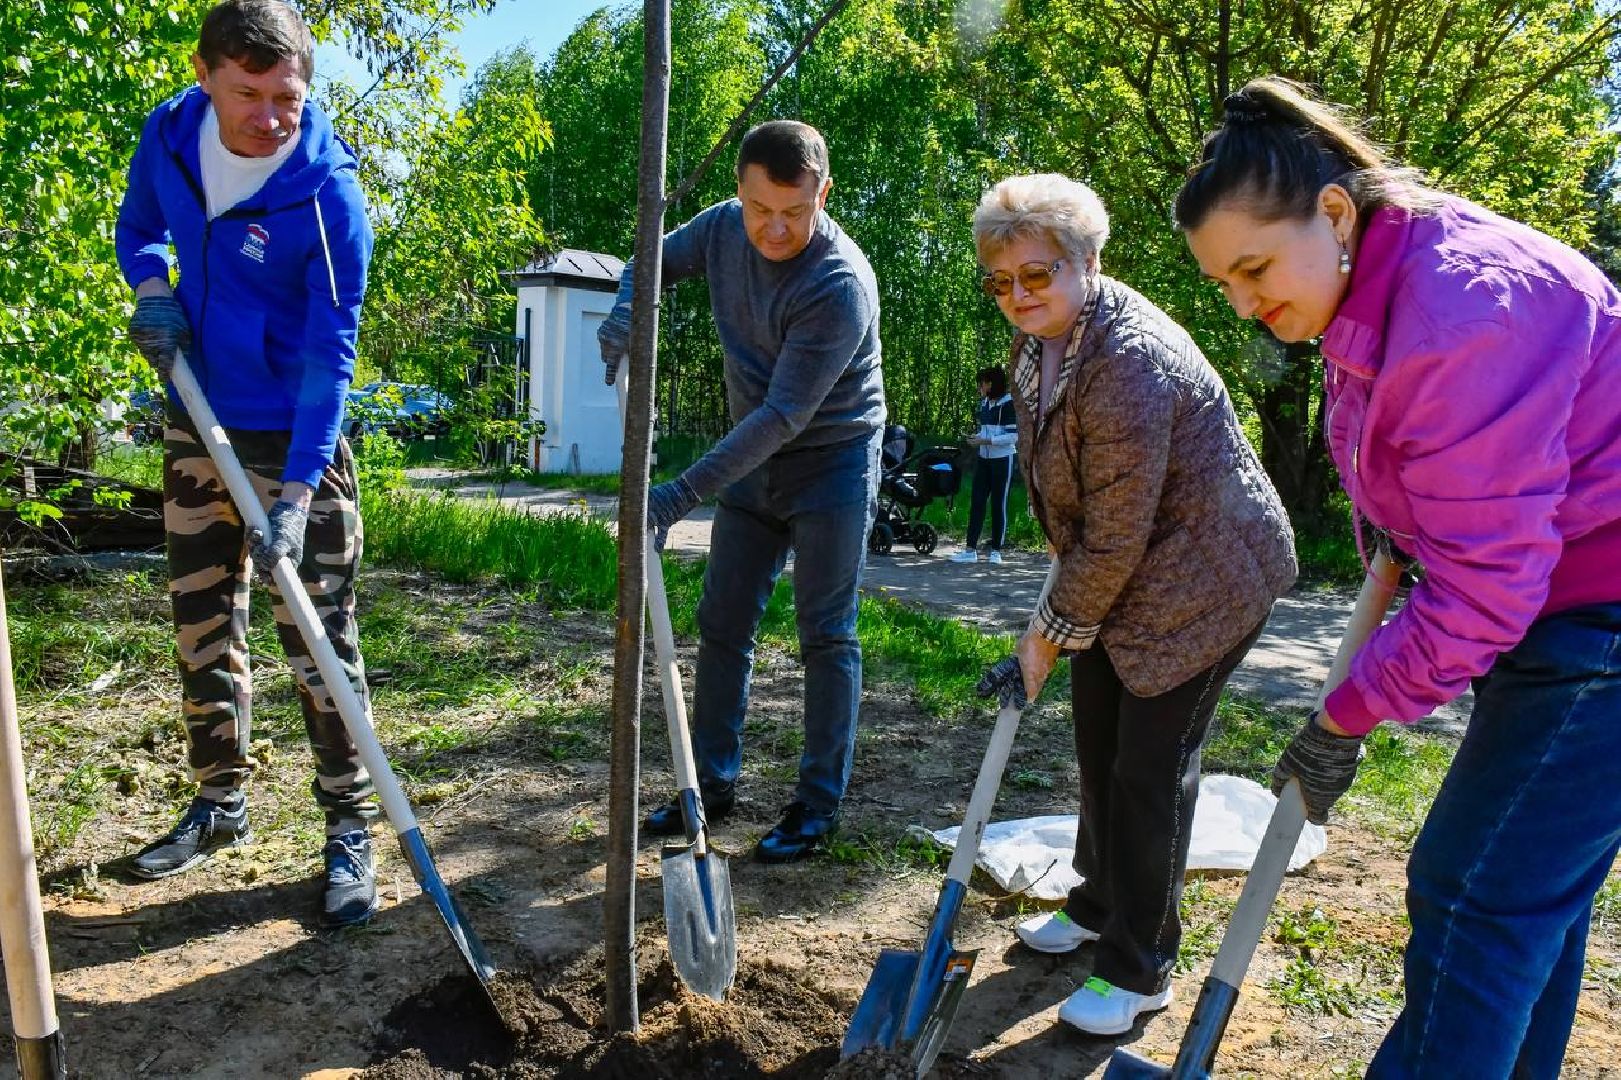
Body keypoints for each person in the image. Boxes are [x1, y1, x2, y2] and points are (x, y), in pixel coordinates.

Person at [1177, 77, 1621, 1078]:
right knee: (1518, 909)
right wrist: (1394, 530)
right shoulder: (1377, 285)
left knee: (1472, 896)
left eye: (1253, 270)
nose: (1248, 306)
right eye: (1226, 289)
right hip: (1569, 610)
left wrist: (1349, 711)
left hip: (1599, 618)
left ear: (1333, 210)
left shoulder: (1457, 308)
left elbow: (1489, 588)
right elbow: (1420, 468)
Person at [971, 174, 1297, 1035]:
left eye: (1036, 275)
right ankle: (1096, 902)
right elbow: (1082, 497)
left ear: (1087, 261)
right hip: (1129, 572)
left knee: (1150, 769)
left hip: (1207, 578)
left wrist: (1041, 640)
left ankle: (1140, 964)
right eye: (999, 281)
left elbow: (1118, 537)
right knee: (1098, 742)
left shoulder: (1126, 362)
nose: (1016, 296)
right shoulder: (1042, 340)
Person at [115, 0, 380, 927]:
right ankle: (219, 801)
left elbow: (330, 353)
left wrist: (302, 487)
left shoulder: (327, 196)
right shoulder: (173, 136)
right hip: (197, 414)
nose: (270, 118)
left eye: (288, 98)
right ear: (204, 76)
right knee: (201, 624)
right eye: (248, 94)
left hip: (291, 435)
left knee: (317, 640)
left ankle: (351, 826)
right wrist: (152, 285)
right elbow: (139, 220)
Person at [597, 121, 885, 863]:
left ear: (823, 193)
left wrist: (677, 494)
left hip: (831, 462)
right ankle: (710, 785)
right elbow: (648, 262)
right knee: (722, 623)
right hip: (750, 462)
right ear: (740, 192)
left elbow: (785, 414)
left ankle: (815, 805)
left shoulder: (836, 282)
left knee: (826, 632)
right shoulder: (724, 230)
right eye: (761, 209)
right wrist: (629, 304)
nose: (775, 228)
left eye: (795, 210)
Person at [949, 366, 1018, 565]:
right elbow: (987, 432)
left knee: (998, 504)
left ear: (991, 383)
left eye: (983, 383)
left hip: (1003, 460)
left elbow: (1013, 436)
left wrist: (986, 442)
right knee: (977, 502)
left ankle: (996, 551)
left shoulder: (1008, 404)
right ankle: (970, 549)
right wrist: (977, 438)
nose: (980, 387)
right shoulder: (985, 404)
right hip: (984, 460)